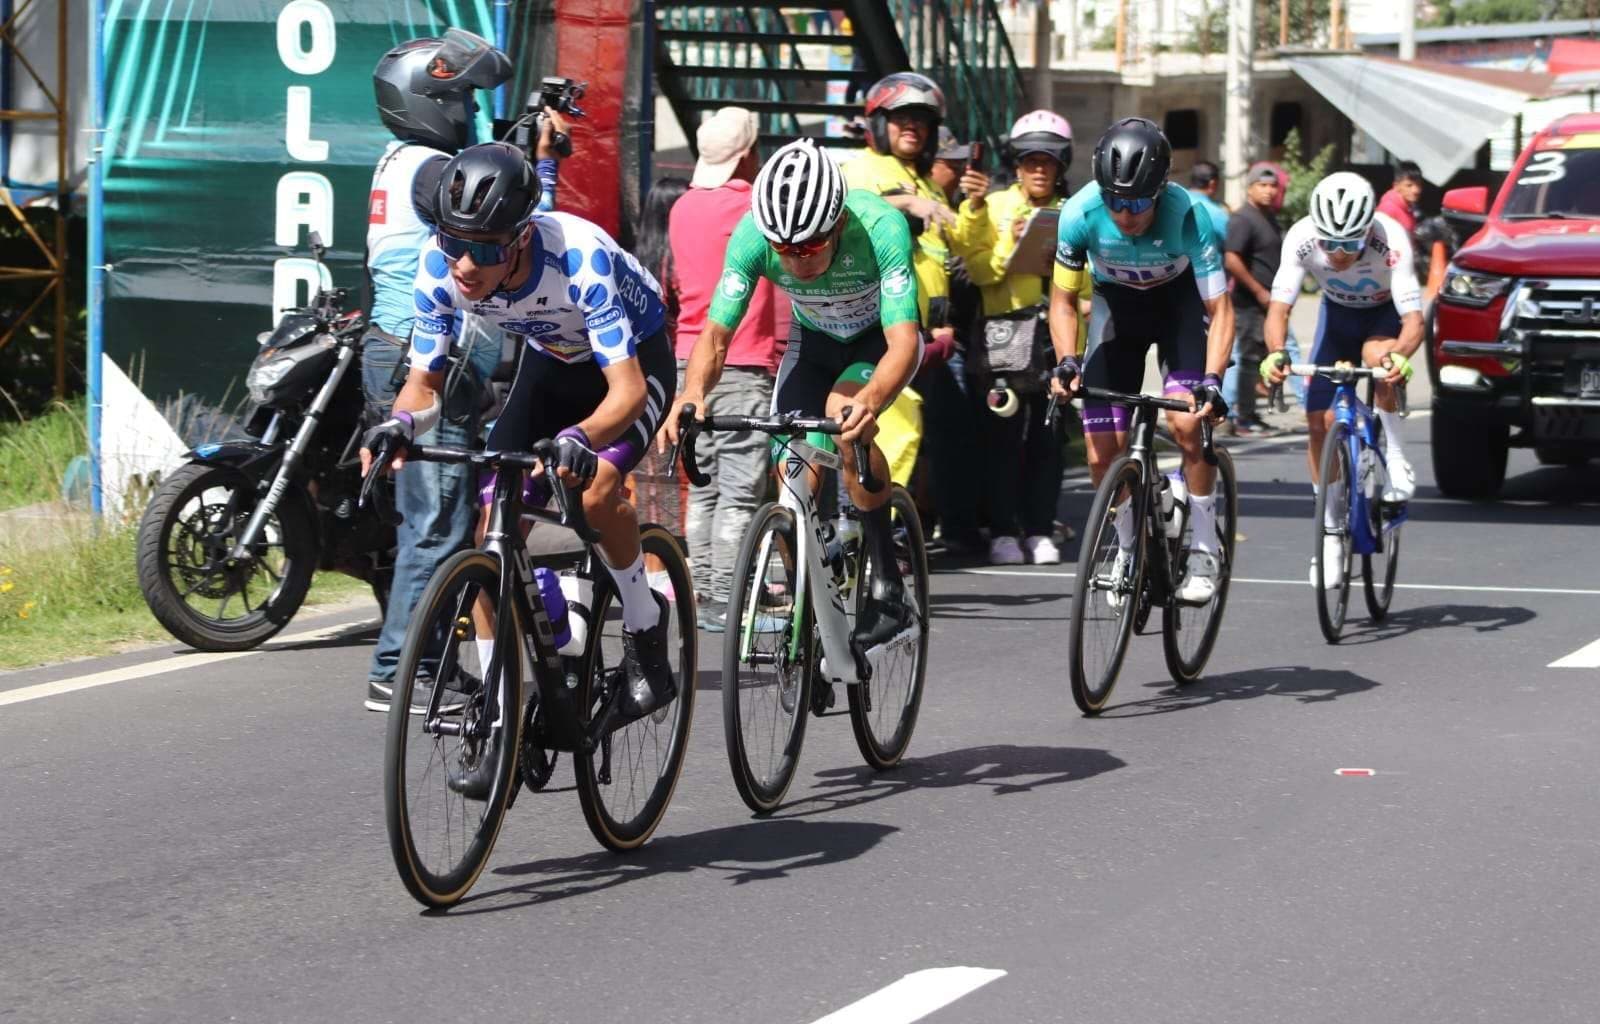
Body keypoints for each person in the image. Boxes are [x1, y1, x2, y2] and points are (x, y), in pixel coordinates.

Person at [361, 142, 680, 760]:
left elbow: (627, 392)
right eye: (453, 242)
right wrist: (399, 424)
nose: (465, 265)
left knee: (594, 490)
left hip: (631, 368)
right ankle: (498, 704)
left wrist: (579, 439)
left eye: (484, 249)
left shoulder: (577, 257)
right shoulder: (441, 263)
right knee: (492, 538)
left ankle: (645, 627)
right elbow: (423, 386)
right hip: (552, 365)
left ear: (521, 237)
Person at [666, 139, 922, 652]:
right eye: (783, 250)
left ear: (836, 224)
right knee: (790, 476)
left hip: (877, 342)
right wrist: (691, 394)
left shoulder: (879, 228)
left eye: (807, 247)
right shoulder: (752, 238)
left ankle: (887, 584)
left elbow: (904, 342)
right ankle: (809, 593)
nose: (795, 261)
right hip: (814, 343)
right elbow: (716, 336)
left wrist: (870, 400)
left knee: (842, 415)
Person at [360, 30, 513, 712]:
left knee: (437, 517)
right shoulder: (427, 169)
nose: (470, 115)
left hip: (407, 351)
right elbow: (497, 207)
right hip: (422, 360)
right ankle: (400, 669)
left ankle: (422, 658)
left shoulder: (400, 160)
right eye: (462, 100)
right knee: (439, 519)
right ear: (429, 101)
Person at [1047, 117, 1235, 605]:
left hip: (1176, 311)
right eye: (1115, 200)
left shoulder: (1188, 215)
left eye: (1136, 203)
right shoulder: (1079, 213)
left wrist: (1213, 381)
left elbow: (1220, 310)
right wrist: (1067, 361)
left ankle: (1203, 545)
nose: (1125, 214)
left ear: (1161, 190)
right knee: (1098, 453)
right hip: (1117, 314)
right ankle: (1128, 548)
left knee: (1187, 425)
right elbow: (1064, 302)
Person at [1261, 172, 1422, 589]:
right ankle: (1330, 533)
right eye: (1329, 243)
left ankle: (1399, 456)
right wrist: (1276, 353)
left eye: (1349, 244)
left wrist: (1401, 358)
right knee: (1319, 421)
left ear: (1367, 231)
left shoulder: (1393, 240)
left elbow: (1414, 321)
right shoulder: (1300, 237)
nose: (1337, 254)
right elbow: (1278, 310)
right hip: (1337, 320)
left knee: (1378, 359)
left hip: (1383, 316)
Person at [665, 107, 789, 630]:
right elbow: (780, 294)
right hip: (742, 358)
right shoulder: (758, 211)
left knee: (706, 482)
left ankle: (707, 593)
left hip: (687, 359)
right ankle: (731, 602)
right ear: (750, 154)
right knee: (740, 486)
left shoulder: (682, 208)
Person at [952, 109, 1079, 565]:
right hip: (1003, 335)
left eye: (1048, 161)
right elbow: (978, 268)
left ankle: (1041, 527)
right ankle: (1003, 529)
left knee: (1049, 438)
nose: (1039, 169)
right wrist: (1013, 243)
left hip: (1054, 339)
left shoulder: (1074, 212)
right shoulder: (997, 205)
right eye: (1029, 161)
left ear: (1062, 164)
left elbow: (1088, 285)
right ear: (1017, 165)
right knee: (1002, 438)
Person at [1223, 162, 1285, 437]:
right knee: (1248, 359)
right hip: (1249, 302)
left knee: (1261, 357)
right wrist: (1258, 290)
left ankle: (1251, 413)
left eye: (1273, 186)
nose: (1269, 191)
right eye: (1263, 185)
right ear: (1250, 188)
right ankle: (1243, 417)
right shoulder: (1243, 218)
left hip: (1270, 302)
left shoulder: (1268, 217)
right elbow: (1232, 258)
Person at [1376, 160, 1423, 236]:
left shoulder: (1411, 208)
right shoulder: (1387, 209)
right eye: (1409, 185)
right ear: (1396, 186)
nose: (1416, 190)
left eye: (1419, 184)